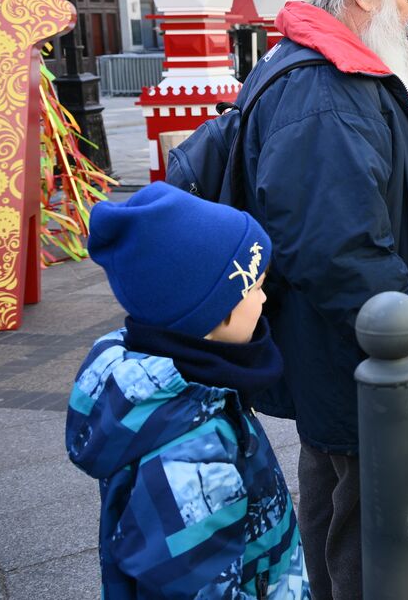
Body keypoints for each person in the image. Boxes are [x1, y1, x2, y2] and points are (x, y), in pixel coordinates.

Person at [236, 0, 408, 599]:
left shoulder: (335, 74)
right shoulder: (324, 90)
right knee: (362, 529)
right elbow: (339, 250)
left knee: (343, 504)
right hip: (363, 357)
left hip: (354, 354)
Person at [68, 183, 308, 598]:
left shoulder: (198, 391)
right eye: (255, 287)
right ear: (212, 311)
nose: (264, 298)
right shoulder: (190, 453)